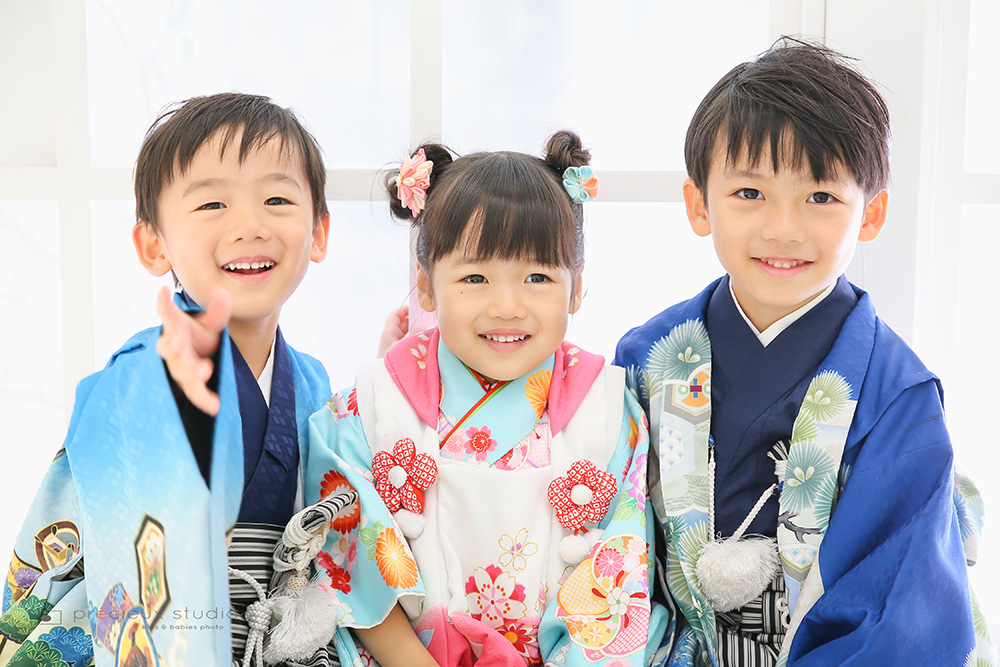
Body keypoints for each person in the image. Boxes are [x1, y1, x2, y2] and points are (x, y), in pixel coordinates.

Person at [614, 41, 993, 666]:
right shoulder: (647, 356)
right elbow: (608, 546)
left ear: (871, 214)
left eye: (820, 197)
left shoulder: (895, 395)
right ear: (698, 205)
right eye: (749, 193)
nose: (783, 228)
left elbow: (897, 616)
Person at [265, 132, 669, 667]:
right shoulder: (370, 408)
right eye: (475, 276)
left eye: (538, 276)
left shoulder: (607, 412)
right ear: (426, 285)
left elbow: (618, 586)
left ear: (576, 287)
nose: (507, 306)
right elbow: (354, 570)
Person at [0, 93, 333, 666]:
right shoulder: (144, 382)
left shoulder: (311, 380)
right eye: (211, 205)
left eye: (276, 198)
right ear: (154, 244)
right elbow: (148, 575)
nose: (250, 225)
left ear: (319, 233)